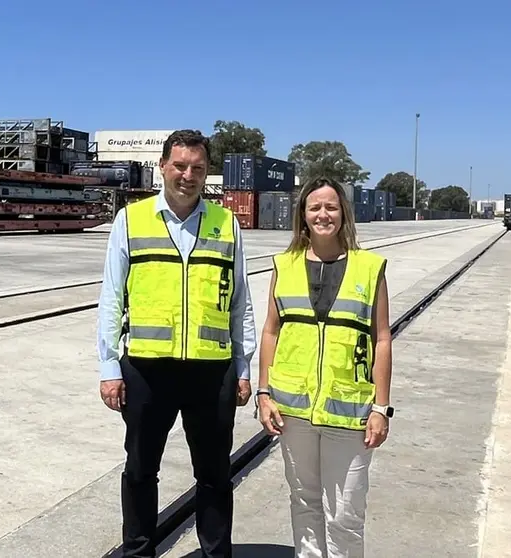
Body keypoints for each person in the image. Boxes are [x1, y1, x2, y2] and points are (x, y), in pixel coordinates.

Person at [96, 129, 257, 558]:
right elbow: (112, 299)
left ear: (207, 173)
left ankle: (215, 554)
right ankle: (138, 552)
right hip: (148, 370)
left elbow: (240, 301)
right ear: (163, 167)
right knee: (140, 471)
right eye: (180, 166)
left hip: (211, 370)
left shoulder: (227, 224)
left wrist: (243, 367)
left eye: (198, 168)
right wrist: (110, 367)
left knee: (215, 474)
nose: (188, 175)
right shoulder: (130, 221)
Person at [254, 177, 394, 558]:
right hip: (293, 411)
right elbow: (270, 331)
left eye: (331, 207)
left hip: (349, 413)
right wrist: (264, 393)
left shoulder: (369, 267)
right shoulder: (284, 266)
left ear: (343, 213)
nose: (323, 214)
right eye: (314, 207)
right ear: (303, 215)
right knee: (304, 502)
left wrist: (381, 407)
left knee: (345, 515)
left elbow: (382, 338)